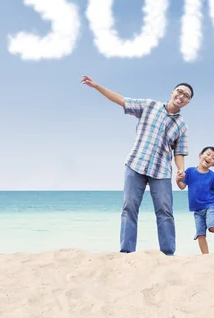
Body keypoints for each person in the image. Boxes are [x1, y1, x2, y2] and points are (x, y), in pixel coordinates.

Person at [81, 75, 192, 256]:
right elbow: (122, 100)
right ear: (172, 92)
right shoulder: (149, 106)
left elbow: (179, 152)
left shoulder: (182, 126)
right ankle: (127, 251)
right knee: (129, 208)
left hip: (161, 171)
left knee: (165, 211)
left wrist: (181, 170)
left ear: (187, 102)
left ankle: (168, 253)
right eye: (179, 92)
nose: (181, 96)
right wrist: (96, 86)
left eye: (186, 96)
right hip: (136, 164)